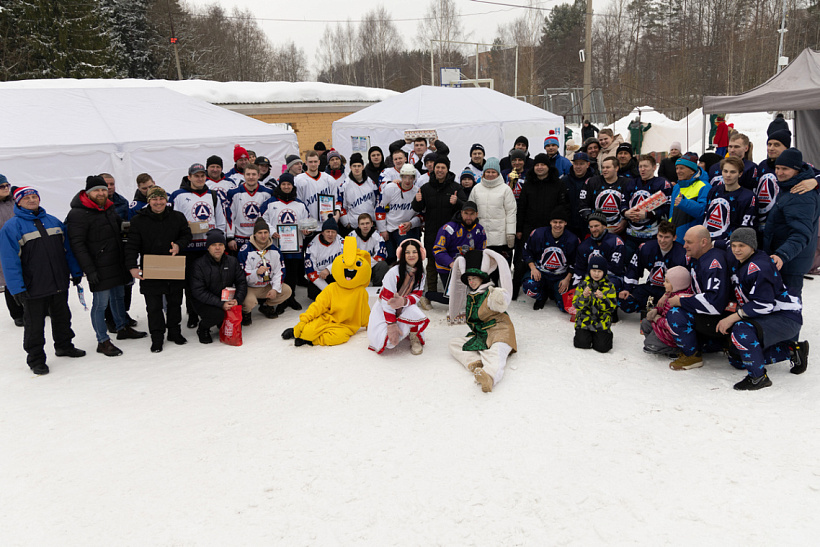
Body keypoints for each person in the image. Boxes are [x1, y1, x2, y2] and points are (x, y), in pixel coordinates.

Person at [0, 187, 86, 374]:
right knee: (34, 325)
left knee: (63, 317)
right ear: (18, 202)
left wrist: (75, 270)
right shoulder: (11, 227)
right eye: (27, 198)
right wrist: (16, 288)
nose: (32, 200)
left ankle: (64, 345)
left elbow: (67, 250)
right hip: (33, 287)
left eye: (34, 197)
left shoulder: (53, 221)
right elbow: (9, 261)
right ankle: (36, 359)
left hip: (58, 282)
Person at [66, 175, 147, 357]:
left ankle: (122, 327)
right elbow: (77, 245)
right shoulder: (78, 214)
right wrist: (90, 270)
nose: (101, 192)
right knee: (101, 304)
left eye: (104, 189)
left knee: (119, 297)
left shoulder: (108, 208)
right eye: (97, 190)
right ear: (88, 193)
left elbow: (123, 227)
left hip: (116, 263)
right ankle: (102, 341)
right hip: (99, 267)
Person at [714, 228, 804, 389]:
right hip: (769, 314)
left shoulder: (758, 267)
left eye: (741, 245)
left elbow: (764, 304)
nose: (736, 249)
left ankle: (758, 377)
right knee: (737, 357)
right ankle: (791, 351)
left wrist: (732, 317)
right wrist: (709, 243)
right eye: (734, 245)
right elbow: (725, 244)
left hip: (785, 317)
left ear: (752, 246)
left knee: (741, 328)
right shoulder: (739, 255)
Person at [125, 186, 193, 353]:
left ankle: (174, 332)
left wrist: (179, 245)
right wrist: (132, 267)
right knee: (154, 306)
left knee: (174, 303)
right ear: (149, 201)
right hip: (151, 267)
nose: (158, 202)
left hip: (173, 266)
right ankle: (157, 337)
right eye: (154, 199)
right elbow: (132, 246)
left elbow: (186, 235)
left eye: (161, 199)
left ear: (166, 200)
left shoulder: (177, 217)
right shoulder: (138, 220)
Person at [447, 249, 517, 393]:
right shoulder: (472, 295)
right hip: (482, 334)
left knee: (495, 354)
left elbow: (501, 300)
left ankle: (489, 377)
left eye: (474, 278)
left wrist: (500, 295)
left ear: (482, 278)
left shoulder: (490, 293)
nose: (471, 282)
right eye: (469, 279)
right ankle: (475, 363)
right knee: (454, 343)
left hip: (500, 333)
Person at [169, 162, 228, 329]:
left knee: (212, 282)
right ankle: (192, 313)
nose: (200, 178)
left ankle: (211, 312)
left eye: (202, 175)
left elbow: (220, 221)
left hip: (208, 248)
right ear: (189, 177)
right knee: (190, 284)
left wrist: (220, 242)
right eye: (196, 175)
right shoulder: (179, 195)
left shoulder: (213, 195)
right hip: (188, 248)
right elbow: (173, 220)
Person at [664, 226, 730, 370]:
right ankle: (712, 344)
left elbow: (714, 303)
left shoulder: (713, 263)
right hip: (714, 315)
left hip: (723, 317)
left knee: (675, 314)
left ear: (703, 242)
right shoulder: (701, 257)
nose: (685, 246)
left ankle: (692, 356)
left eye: (689, 242)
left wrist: (681, 301)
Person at [763, 147, 820, 301]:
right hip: (787, 260)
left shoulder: (801, 194)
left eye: (785, 169)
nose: (779, 172)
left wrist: (782, 254)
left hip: (790, 263)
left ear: (796, 170)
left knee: (788, 308)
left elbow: (801, 233)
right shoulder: (790, 186)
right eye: (777, 168)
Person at [514, 153, 569, 297]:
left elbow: (562, 206)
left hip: (550, 228)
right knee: (522, 258)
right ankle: (515, 287)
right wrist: (519, 229)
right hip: (529, 226)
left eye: (543, 165)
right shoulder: (528, 183)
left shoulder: (558, 184)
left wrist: (558, 225)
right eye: (537, 165)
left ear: (548, 167)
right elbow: (522, 207)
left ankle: (546, 289)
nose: (539, 167)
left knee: (547, 257)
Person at [367, 238, 429, 355]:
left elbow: (417, 295)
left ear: (420, 253)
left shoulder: (421, 273)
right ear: (402, 254)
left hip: (405, 305)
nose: (411, 255)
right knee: (387, 342)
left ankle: (413, 336)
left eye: (414, 252)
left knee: (414, 310)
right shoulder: (393, 272)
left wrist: (404, 301)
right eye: (407, 252)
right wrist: (391, 325)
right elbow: (387, 301)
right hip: (385, 309)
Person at [260, 173, 310, 312]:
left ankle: (291, 297)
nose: (286, 187)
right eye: (284, 184)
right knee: (280, 272)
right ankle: (281, 298)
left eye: (289, 184)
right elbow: (263, 220)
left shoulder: (300, 204)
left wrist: (306, 230)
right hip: (277, 245)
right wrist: (271, 232)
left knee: (293, 272)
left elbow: (306, 221)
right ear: (280, 185)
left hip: (295, 245)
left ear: (292, 186)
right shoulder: (270, 203)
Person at [189, 229, 247, 344]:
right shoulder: (199, 264)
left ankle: (222, 322)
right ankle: (203, 329)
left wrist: (237, 300)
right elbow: (198, 291)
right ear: (208, 247)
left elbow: (242, 282)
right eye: (213, 245)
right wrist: (221, 304)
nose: (217, 248)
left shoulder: (232, 261)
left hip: (226, 298)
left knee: (232, 317)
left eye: (220, 244)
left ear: (224, 247)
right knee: (217, 315)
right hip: (204, 302)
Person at [619, 221, 687, 315]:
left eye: (667, 237)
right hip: (651, 287)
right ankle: (651, 308)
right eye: (660, 236)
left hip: (670, 292)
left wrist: (667, 295)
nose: (662, 240)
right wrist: (627, 289)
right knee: (625, 303)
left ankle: (658, 310)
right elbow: (633, 269)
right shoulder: (646, 248)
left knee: (674, 311)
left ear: (674, 237)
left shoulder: (683, 254)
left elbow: (684, 283)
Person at [431, 201, 487, 303]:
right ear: (461, 213)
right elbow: (437, 250)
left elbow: (481, 252)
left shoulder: (480, 230)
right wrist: (452, 263)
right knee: (453, 300)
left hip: (467, 269)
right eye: (466, 213)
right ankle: (426, 295)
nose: (469, 217)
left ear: (477, 214)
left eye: (472, 214)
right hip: (448, 268)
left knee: (474, 297)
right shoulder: (449, 228)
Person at [237, 218, 292, 324]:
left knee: (287, 290)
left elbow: (279, 272)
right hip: (250, 287)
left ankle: (266, 306)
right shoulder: (245, 250)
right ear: (254, 234)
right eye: (260, 233)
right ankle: (246, 312)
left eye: (266, 232)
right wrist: (255, 273)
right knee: (249, 302)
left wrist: (275, 289)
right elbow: (240, 275)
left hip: (267, 285)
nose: (263, 236)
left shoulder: (275, 250)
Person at [522, 208, 578, 311]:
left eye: (560, 222)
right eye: (555, 222)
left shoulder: (572, 239)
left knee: (565, 307)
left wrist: (567, 279)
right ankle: (541, 296)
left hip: (560, 276)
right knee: (529, 286)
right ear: (550, 222)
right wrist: (533, 268)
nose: (557, 225)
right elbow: (527, 251)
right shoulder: (538, 234)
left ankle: (556, 294)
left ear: (565, 223)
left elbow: (575, 262)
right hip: (541, 273)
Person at [622, 154, 673, 253]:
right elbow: (623, 202)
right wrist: (625, 213)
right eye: (640, 166)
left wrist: (648, 214)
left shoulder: (662, 184)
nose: (642, 169)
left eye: (646, 166)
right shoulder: (632, 183)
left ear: (654, 167)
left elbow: (667, 208)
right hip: (632, 235)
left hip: (652, 235)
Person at [470, 157, 516, 264]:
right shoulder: (476, 189)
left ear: (498, 173)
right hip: (480, 237)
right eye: (488, 172)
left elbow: (511, 213)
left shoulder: (505, 189)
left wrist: (510, 233)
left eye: (493, 172)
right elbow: (470, 212)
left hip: (499, 239)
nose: (490, 174)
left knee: (498, 268)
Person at [640, 266, 693, 357]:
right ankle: (659, 342)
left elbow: (671, 324)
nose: (664, 283)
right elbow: (663, 308)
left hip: (672, 335)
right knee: (645, 323)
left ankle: (674, 349)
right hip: (664, 329)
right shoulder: (670, 294)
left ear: (677, 284)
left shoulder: (680, 301)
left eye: (667, 282)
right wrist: (656, 310)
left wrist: (657, 319)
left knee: (649, 344)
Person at [378, 163, 424, 264]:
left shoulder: (417, 192)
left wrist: (412, 223)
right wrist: (382, 229)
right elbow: (380, 208)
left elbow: (421, 215)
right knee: (390, 258)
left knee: (408, 258)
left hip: (408, 229)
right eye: (405, 177)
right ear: (401, 177)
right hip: (390, 229)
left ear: (414, 178)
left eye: (410, 178)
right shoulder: (390, 188)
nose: (407, 181)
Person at [703, 157, 757, 241]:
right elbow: (706, 218)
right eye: (725, 171)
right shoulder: (714, 190)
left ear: (740, 174)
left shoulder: (748, 197)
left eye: (733, 172)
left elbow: (745, 229)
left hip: (730, 245)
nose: (728, 175)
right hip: (707, 241)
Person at [578, 156, 635, 235]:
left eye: (608, 167)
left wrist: (625, 221)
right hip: (595, 230)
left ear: (616, 168)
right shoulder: (592, 182)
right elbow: (583, 204)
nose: (604, 170)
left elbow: (632, 205)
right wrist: (592, 220)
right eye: (603, 167)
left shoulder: (627, 183)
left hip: (620, 230)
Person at [571, 211, 627, 290]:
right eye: (591, 227)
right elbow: (579, 269)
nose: (593, 229)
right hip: (589, 279)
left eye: (596, 226)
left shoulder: (616, 242)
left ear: (604, 226)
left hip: (612, 278)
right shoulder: (584, 246)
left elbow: (615, 268)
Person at [572, 254, 616, 353]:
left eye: (599, 271)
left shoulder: (609, 286)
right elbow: (576, 305)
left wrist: (603, 299)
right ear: (589, 271)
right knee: (581, 343)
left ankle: (605, 334)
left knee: (603, 347)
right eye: (594, 271)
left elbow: (612, 307)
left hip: (601, 321)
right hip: (585, 320)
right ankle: (586, 333)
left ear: (604, 272)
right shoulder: (583, 284)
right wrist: (584, 297)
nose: (596, 274)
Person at [225, 163, 273, 251]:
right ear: (243, 176)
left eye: (254, 174)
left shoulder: (267, 192)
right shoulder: (233, 192)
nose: (251, 177)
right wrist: (230, 237)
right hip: (239, 239)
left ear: (258, 175)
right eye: (248, 174)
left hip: (260, 239)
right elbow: (230, 216)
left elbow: (269, 216)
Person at [669, 153, 710, 243]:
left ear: (692, 170)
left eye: (682, 168)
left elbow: (702, 211)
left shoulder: (704, 186)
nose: (678, 171)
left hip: (692, 239)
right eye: (677, 168)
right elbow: (672, 212)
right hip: (674, 237)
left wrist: (683, 203)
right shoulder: (677, 187)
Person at [0, 174, 23, 326]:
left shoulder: (16, 202)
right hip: (3, 248)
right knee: (9, 280)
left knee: (29, 274)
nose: (6, 188)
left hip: (22, 244)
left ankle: (38, 306)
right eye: (2, 186)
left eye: (7, 185)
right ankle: (17, 313)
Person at [294, 150, 338, 229]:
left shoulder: (329, 179)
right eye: (310, 162)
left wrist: (337, 215)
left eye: (315, 161)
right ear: (306, 163)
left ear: (319, 162)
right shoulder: (298, 180)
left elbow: (336, 201)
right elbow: (298, 205)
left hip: (326, 224)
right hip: (308, 225)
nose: (313, 164)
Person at [304, 216, 344, 300]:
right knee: (314, 293)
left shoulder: (342, 242)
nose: (330, 234)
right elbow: (310, 271)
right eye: (327, 231)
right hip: (320, 276)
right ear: (322, 232)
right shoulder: (312, 246)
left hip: (336, 274)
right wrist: (327, 290)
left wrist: (328, 269)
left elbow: (346, 259)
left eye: (333, 232)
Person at [337, 152, 378, 232]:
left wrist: (376, 220)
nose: (357, 168)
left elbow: (377, 201)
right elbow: (341, 206)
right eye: (354, 166)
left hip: (370, 225)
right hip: (353, 226)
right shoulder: (345, 185)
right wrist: (346, 223)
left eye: (359, 166)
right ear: (350, 167)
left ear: (363, 167)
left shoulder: (371, 183)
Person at [353, 213, 389, 286]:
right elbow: (348, 255)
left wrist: (365, 264)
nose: (365, 226)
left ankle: (377, 287)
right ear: (359, 225)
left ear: (372, 224)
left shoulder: (378, 236)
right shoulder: (351, 236)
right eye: (362, 224)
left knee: (382, 265)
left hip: (371, 266)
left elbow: (381, 256)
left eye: (367, 223)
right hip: (357, 267)